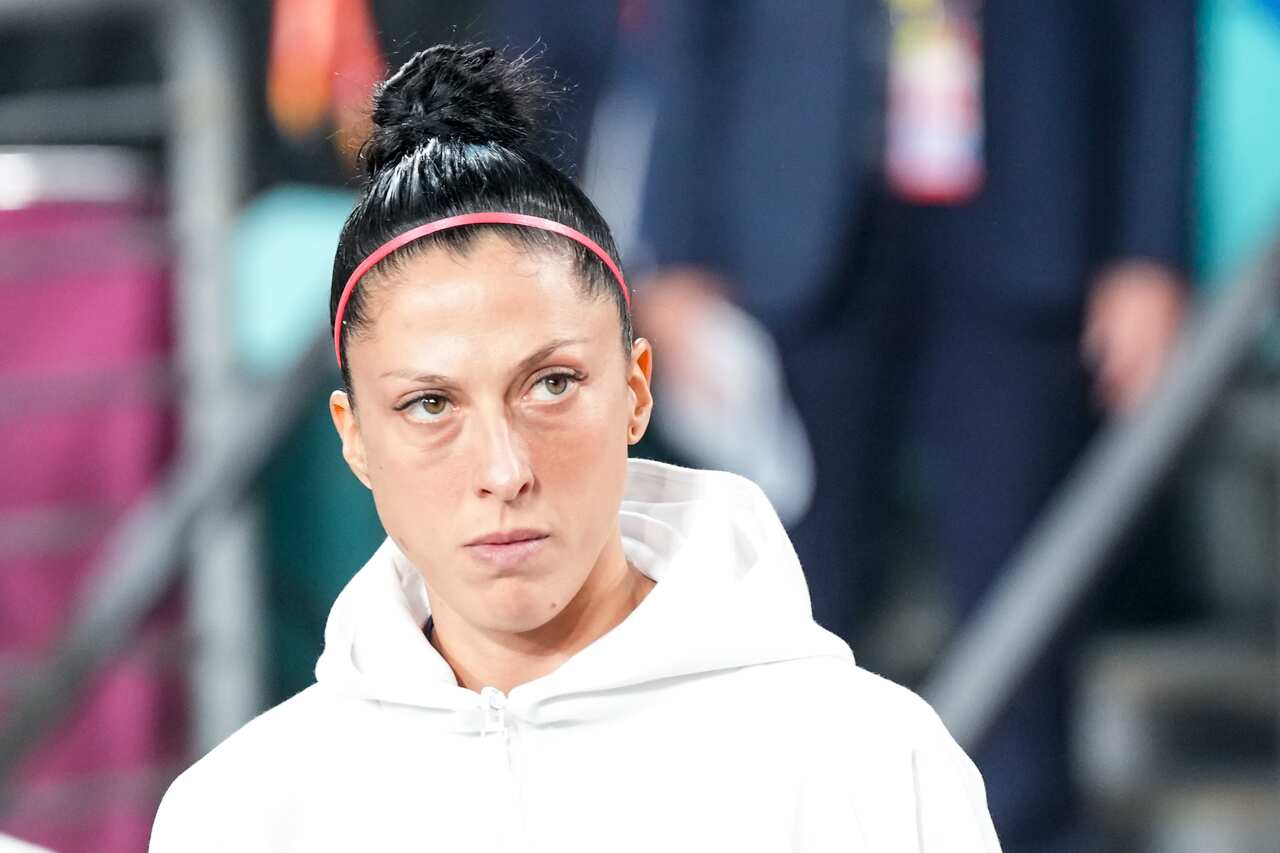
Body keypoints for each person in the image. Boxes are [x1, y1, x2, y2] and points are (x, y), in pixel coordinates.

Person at [149, 45, 1001, 851]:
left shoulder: (867, 763)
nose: (504, 470)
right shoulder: (243, 813)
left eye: (550, 384)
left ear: (635, 390)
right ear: (356, 438)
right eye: (431, 404)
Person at [635, 4, 1194, 849]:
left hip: (1028, 212)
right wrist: (673, 249)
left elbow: (1158, 22)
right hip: (796, 223)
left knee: (1025, 631)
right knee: (786, 629)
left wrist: (1149, 250)